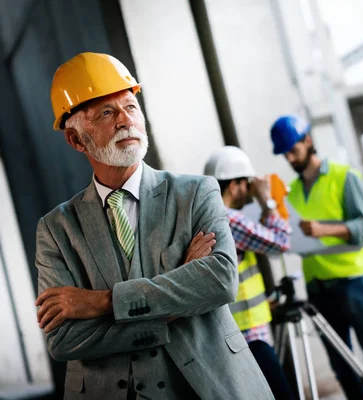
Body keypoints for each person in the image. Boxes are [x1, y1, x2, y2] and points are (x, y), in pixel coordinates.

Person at [34, 52, 274, 400]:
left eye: (131, 107)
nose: (125, 121)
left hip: (213, 387)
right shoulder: (56, 229)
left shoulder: (196, 193)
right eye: (106, 112)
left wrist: (102, 302)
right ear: (75, 139)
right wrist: (179, 298)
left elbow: (220, 281)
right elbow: (63, 339)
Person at [270, 115, 363, 400]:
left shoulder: (344, 176)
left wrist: (324, 229)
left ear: (308, 140)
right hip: (318, 289)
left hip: (353, 284)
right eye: (285, 153)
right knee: (342, 369)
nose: (289, 157)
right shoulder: (293, 193)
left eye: (293, 150)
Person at [204, 146, 296, 400]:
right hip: (248, 335)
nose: (249, 189)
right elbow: (280, 242)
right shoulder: (229, 220)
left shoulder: (206, 216)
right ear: (233, 186)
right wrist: (267, 201)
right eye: (246, 183)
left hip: (238, 332)